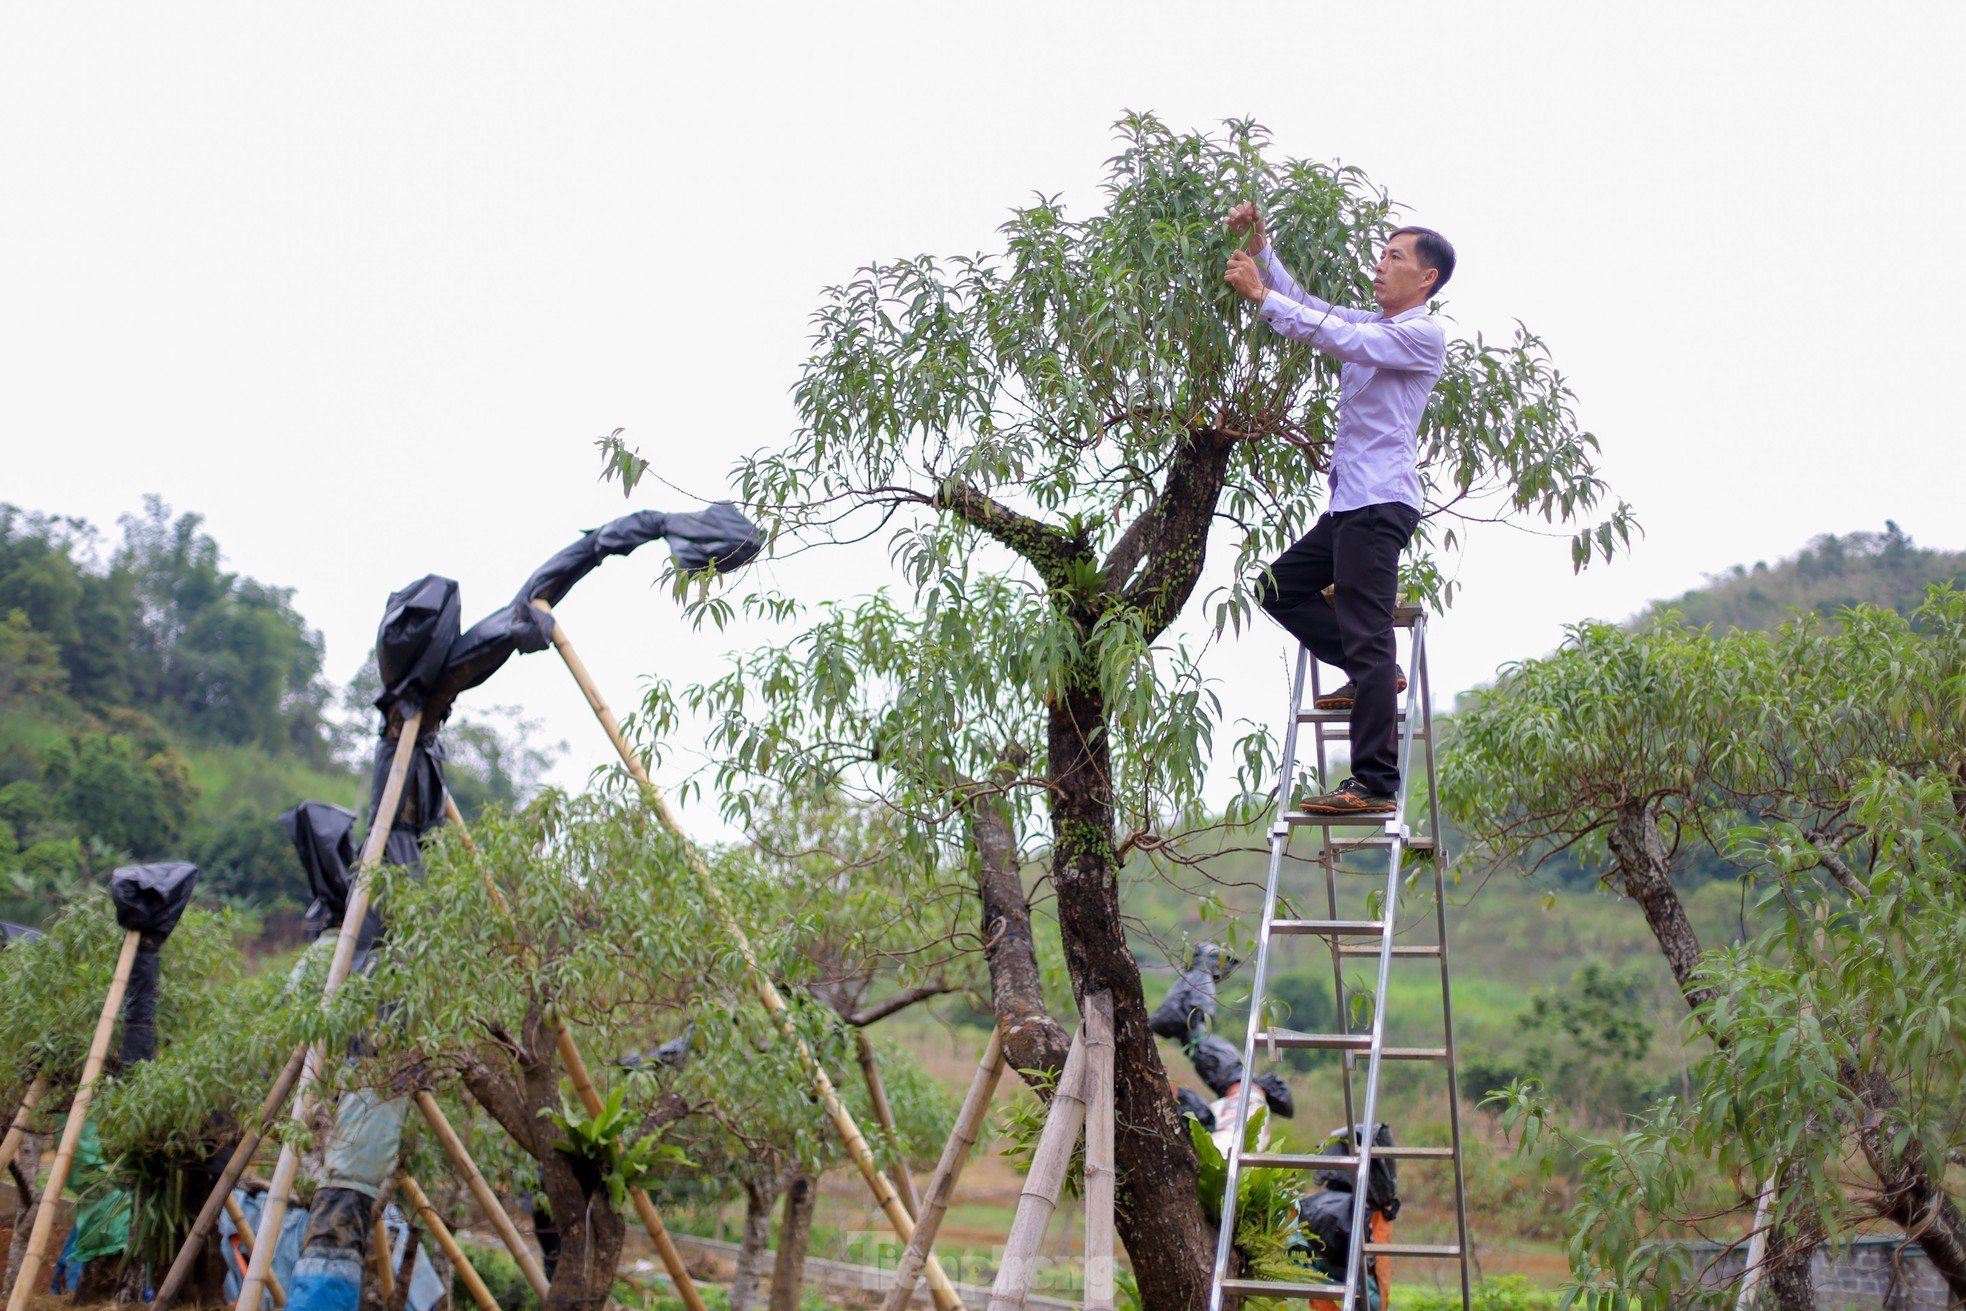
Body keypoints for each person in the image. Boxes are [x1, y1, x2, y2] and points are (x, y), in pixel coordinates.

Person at [1222, 205, 1455, 816]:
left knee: (1371, 635)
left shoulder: (1417, 334)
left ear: (1426, 278)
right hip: (1351, 503)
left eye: (1394, 258)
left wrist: (1261, 296)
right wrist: (1261, 248)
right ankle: (1364, 669)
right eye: (1381, 255)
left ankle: (1374, 783)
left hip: (1380, 504)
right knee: (1277, 588)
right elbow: (1318, 311)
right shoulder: (1378, 323)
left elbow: (1333, 334)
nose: (1380, 266)